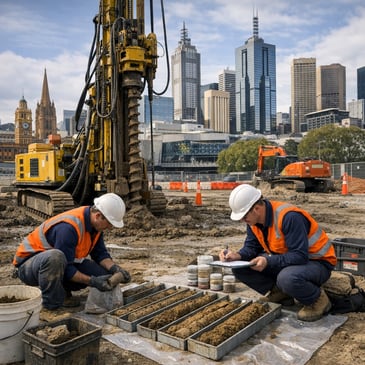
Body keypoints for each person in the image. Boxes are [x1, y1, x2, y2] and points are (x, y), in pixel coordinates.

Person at [219, 184, 337, 322]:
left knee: (287, 278)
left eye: (244, 217)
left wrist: (268, 261)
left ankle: (318, 300)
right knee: (240, 268)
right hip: (289, 261)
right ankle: (281, 294)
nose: (242, 220)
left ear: (256, 209)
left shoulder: (289, 217)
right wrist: (237, 256)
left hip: (317, 262)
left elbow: (300, 256)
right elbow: (251, 247)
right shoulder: (253, 221)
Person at [13, 192, 131, 310]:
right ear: (98, 216)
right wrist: (92, 281)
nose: (110, 228)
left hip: (58, 264)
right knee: (55, 257)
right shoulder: (68, 228)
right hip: (29, 267)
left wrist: (115, 269)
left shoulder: (95, 225)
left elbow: (100, 254)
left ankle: (63, 290)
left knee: (103, 275)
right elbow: (67, 269)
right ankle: (51, 305)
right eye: (109, 224)